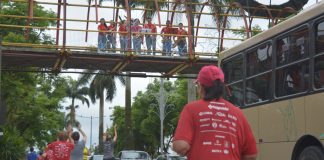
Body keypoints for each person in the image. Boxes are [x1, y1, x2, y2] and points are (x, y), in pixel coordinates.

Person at [172, 65, 258, 160]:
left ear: (201, 86)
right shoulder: (238, 113)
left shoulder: (191, 109)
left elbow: (181, 146)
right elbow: (251, 155)